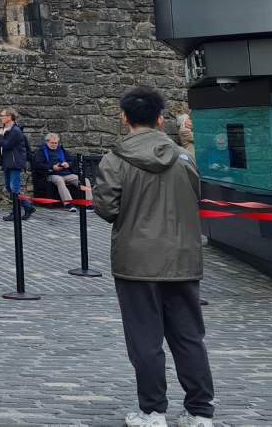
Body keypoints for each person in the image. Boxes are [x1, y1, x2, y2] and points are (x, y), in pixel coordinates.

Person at [94, 86, 215, 427]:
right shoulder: (184, 158)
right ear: (161, 119)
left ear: (124, 118)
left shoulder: (115, 160)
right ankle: (199, 411)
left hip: (137, 262)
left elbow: (106, 208)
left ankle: (152, 411)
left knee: (145, 340)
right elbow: (197, 195)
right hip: (182, 258)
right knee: (189, 337)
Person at [0, 107, 33, 220]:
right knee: (9, 187)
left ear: (9, 117)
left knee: (14, 188)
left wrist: (0, 136)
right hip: (7, 163)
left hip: (15, 163)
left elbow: (6, 145)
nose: (0, 117)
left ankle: (15, 213)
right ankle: (28, 207)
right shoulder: (5, 129)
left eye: (2, 115)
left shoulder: (15, 131)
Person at [38, 132, 86, 204]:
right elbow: (39, 165)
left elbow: (71, 161)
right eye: (52, 143)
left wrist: (68, 164)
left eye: (56, 143)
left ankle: (88, 203)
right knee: (59, 180)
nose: (54, 145)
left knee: (85, 180)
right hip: (52, 174)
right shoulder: (41, 151)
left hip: (66, 173)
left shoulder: (61, 150)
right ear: (47, 142)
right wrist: (52, 167)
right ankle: (69, 203)